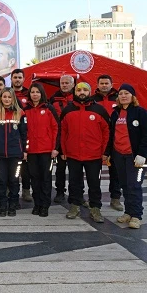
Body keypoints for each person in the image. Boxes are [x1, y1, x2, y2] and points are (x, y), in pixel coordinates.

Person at [104, 84, 147, 229]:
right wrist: (108, 153)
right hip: (119, 156)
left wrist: (142, 154)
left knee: (135, 185)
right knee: (124, 185)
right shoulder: (115, 114)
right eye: (120, 94)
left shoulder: (141, 113)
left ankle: (137, 215)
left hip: (136, 158)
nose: (123, 96)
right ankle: (128, 212)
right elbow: (112, 136)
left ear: (133, 96)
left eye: (126, 93)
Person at [60, 82, 110, 223]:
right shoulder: (67, 110)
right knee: (74, 182)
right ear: (74, 92)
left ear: (90, 92)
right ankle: (75, 206)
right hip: (73, 154)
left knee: (94, 183)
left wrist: (105, 151)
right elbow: (63, 132)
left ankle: (95, 208)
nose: (82, 92)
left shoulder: (99, 110)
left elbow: (107, 132)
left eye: (85, 90)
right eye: (79, 90)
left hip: (94, 155)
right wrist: (63, 150)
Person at [0, 88, 27, 216]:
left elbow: (24, 134)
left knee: (14, 180)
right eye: (4, 97)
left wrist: (25, 150)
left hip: (15, 154)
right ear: (1, 98)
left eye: (9, 97)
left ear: (13, 98)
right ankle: (3, 205)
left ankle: (13, 205)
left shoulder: (20, 113)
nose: (7, 99)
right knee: (1, 180)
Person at [24, 83, 60, 217]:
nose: (35, 94)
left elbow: (56, 128)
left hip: (46, 151)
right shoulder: (25, 110)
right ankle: (37, 204)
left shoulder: (49, 108)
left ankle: (45, 205)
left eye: (37, 92)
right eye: (32, 92)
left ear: (41, 94)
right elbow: (22, 131)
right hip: (31, 151)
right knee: (35, 179)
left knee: (45, 179)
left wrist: (55, 148)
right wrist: (24, 150)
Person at [91, 74, 123, 212]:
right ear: (97, 85)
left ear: (111, 84)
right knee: (94, 173)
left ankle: (115, 198)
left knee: (115, 172)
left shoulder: (119, 99)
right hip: (97, 140)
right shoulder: (92, 100)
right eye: (101, 83)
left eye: (106, 83)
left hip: (116, 140)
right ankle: (94, 200)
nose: (104, 85)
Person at [49, 74, 75, 204]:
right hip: (60, 137)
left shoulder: (78, 97)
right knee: (60, 168)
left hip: (75, 137)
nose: (64, 85)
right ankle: (60, 192)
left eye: (67, 83)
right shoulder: (53, 99)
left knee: (76, 168)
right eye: (62, 83)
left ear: (73, 84)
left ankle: (77, 193)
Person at [11, 69, 32, 202]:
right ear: (12, 79)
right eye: (15, 77)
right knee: (12, 165)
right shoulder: (7, 93)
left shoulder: (29, 94)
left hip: (27, 132)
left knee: (26, 166)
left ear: (23, 79)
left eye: (19, 77)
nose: (17, 79)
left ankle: (26, 190)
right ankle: (11, 189)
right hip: (11, 133)